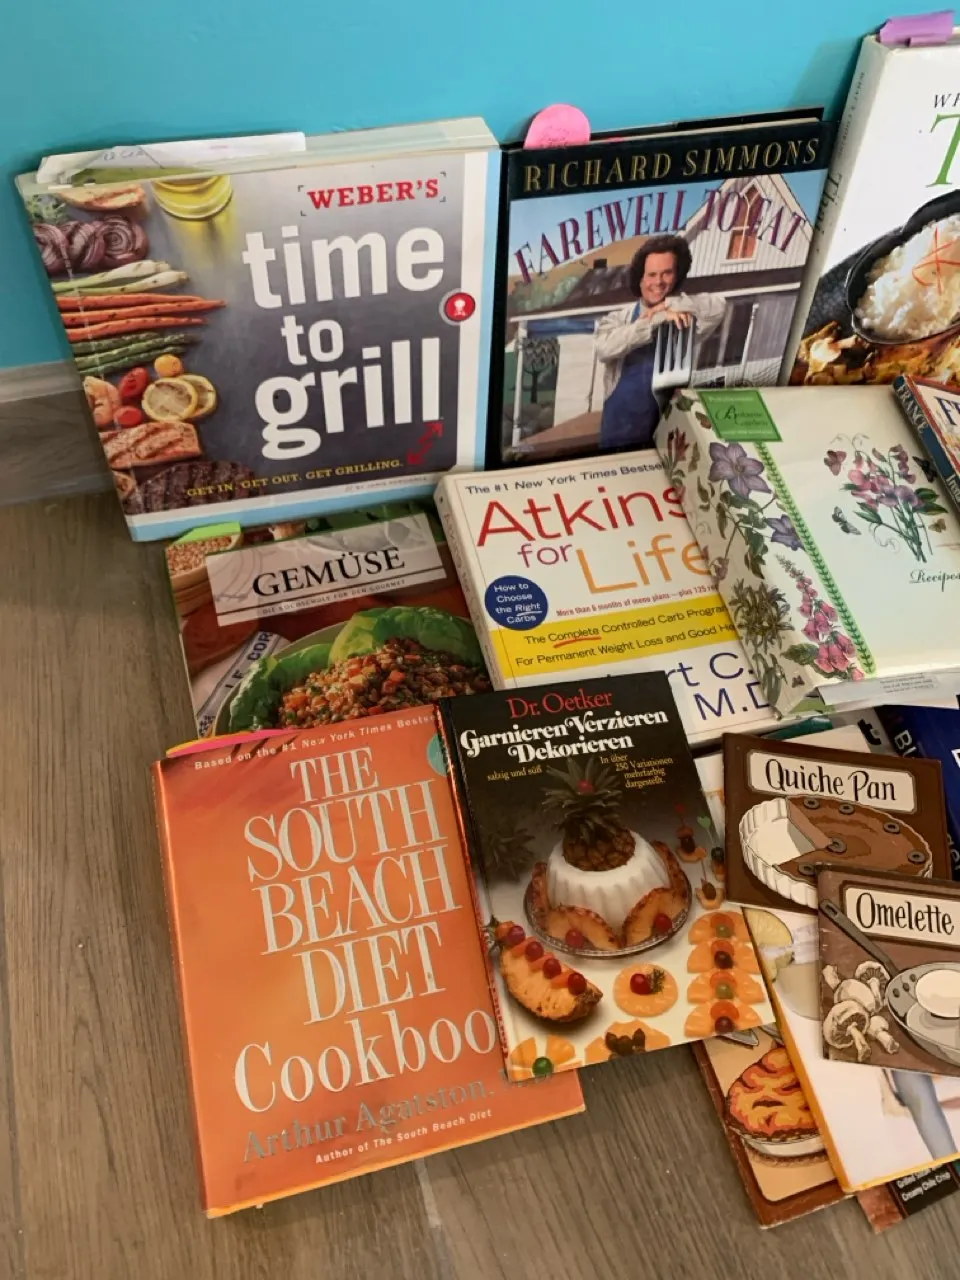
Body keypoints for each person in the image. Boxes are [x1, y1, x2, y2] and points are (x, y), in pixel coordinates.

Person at [595, 235, 725, 450]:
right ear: (640, 279)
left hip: (667, 427)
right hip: (619, 427)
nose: (658, 282)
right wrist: (656, 319)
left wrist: (669, 306)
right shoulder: (619, 318)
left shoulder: (684, 315)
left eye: (667, 273)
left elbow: (719, 306)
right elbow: (604, 349)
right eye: (652, 274)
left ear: (677, 275)